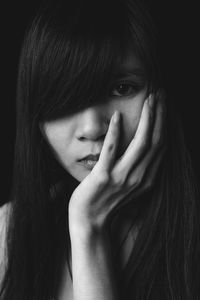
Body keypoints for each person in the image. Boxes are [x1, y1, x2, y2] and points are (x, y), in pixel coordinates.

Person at [0, 0, 199, 299]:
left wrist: (87, 225)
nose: (93, 128)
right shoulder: (8, 232)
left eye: (122, 88)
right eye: (66, 96)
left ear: (161, 95)